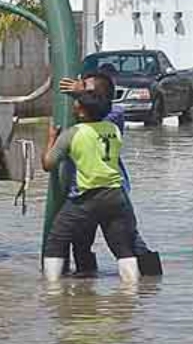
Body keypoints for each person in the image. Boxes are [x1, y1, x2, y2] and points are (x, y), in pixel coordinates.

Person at [59, 69, 160, 277]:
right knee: (81, 242)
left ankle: (151, 280)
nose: (81, 96)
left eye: (88, 91)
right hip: (83, 191)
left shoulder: (114, 116)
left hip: (112, 191)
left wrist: (80, 94)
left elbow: (99, 115)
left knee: (129, 239)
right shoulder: (78, 121)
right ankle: (85, 288)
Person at [42, 89, 141, 282]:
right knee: (122, 246)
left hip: (86, 196)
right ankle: (131, 293)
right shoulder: (113, 130)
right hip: (115, 194)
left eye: (76, 104)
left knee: (56, 239)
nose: (73, 106)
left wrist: (51, 139)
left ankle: (52, 291)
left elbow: (48, 164)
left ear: (82, 111)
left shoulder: (73, 133)